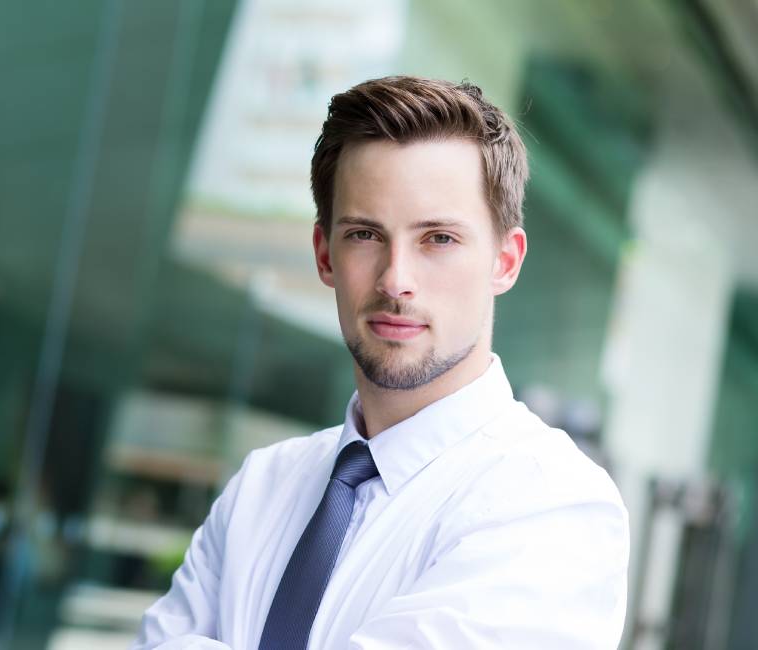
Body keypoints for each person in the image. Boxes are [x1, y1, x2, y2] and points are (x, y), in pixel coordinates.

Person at [132, 76, 629, 649]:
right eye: (366, 234)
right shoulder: (262, 485)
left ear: (505, 261)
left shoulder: (551, 504)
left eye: (438, 239)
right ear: (325, 254)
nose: (396, 280)